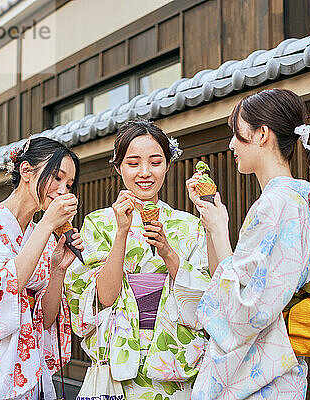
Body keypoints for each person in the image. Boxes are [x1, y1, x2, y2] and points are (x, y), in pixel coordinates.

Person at [186, 88, 310, 399]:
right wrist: (214, 227)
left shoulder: (277, 204)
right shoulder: (291, 200)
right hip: (273, 373)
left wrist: (220, 232)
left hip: (258, 381)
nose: (231, 145)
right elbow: (231, 281)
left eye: (237, 133)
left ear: (262, 134)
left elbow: (246, 310)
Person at [65, 120, 210, 399]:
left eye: (155, 162)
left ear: (167, 165)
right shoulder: (98, 223)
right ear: (119, 167)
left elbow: (205, 298)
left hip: (173, 359)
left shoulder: (189, 225)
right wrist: (121, 232)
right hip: (119, 359)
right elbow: (103, 298)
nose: (145, 172)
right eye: (133, 163)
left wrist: (167, 250)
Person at [0, 136, 83, 400]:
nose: (63, 190)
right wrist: (46, 225)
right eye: (57, 177)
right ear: (26, 171)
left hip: (27, 373)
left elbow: (45, 321)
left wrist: (58, 269)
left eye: (68, 184)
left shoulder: (42, 239)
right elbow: (2, 287)